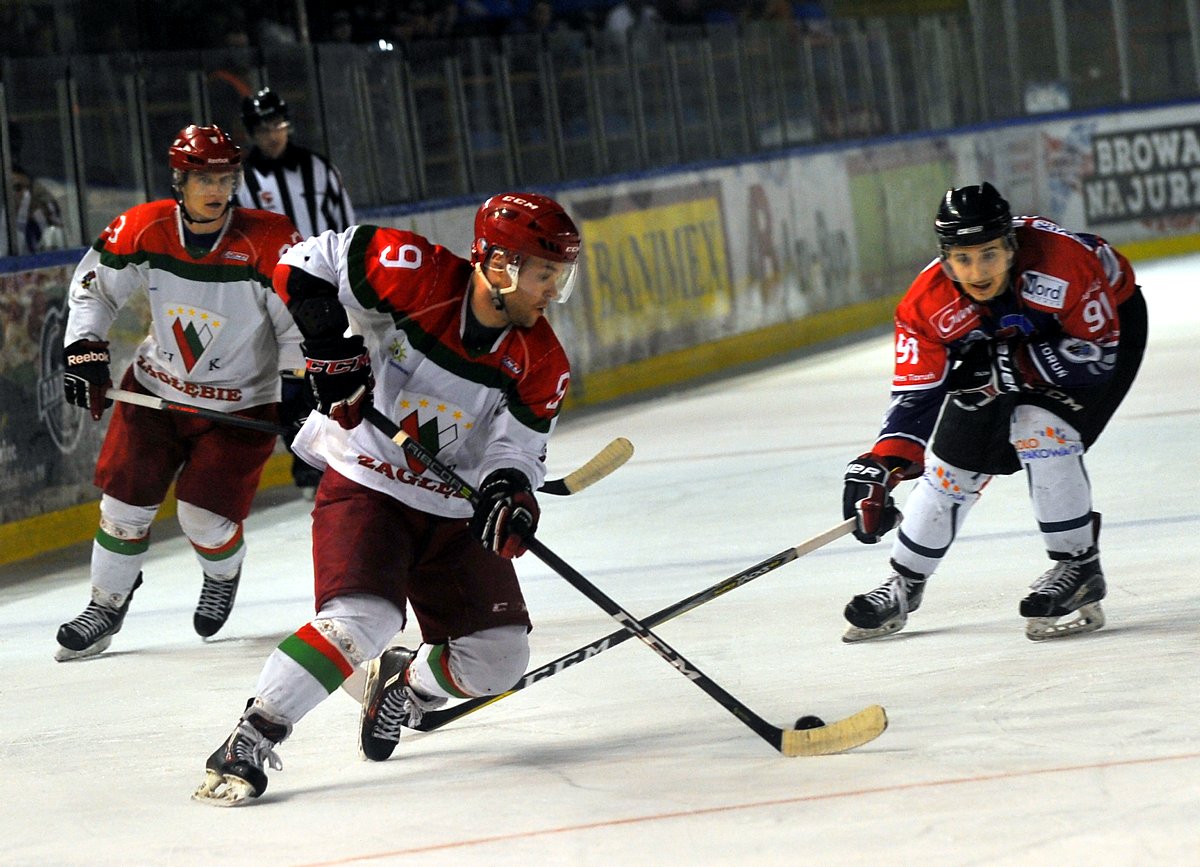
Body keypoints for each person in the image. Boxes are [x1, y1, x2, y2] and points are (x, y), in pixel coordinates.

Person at [194, 191, 581, 806]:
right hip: (367, 483)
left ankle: (403, 685)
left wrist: (508, 492)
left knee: (498, 660)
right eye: (545, 275)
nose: (553, 292)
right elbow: (302, 263)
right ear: (500, 265)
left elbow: (519, 450)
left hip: (452, 511)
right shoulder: (413, 271)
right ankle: (251, 735)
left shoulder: (542, 361)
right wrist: (327, 341)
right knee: (362, 620)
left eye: (560, 277)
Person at [839, 182, 1146, 643]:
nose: (977, 271)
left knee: (1038, 426)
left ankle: (1078, 566)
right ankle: (905, 580)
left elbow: (1095, 358)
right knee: (952, 461)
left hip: (1102, 332)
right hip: (1003, 343)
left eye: (989, 255)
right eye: (962, 259)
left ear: (1011, 247)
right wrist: (882, 466)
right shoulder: (927, 304)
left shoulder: (1064, 264)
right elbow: (915, 400)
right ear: (945, 260)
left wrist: (1007, 368)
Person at [55, 124, 303, 661]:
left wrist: (298, 387)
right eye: (204, 179)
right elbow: (94, 291)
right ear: (180, 181)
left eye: (226, 178)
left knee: (203, 518)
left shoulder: (268, 238)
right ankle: (105, 605)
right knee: (123, 504)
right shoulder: (143, 227)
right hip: (156, 391)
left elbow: (294, 322)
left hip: (241, 404)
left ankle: (223, 574)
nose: (217, 190)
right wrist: (84, 349)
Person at [237, 87, 356, 498]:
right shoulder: (240, 180)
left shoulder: (319, 170)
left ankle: (342, 456)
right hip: (271, 295)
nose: (272, 135)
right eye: (263, 128)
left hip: (325, 289)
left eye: (278, 125)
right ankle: (307, 462)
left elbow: (346, 227)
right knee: (291, 379)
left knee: (334, 369)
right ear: (251, 132)